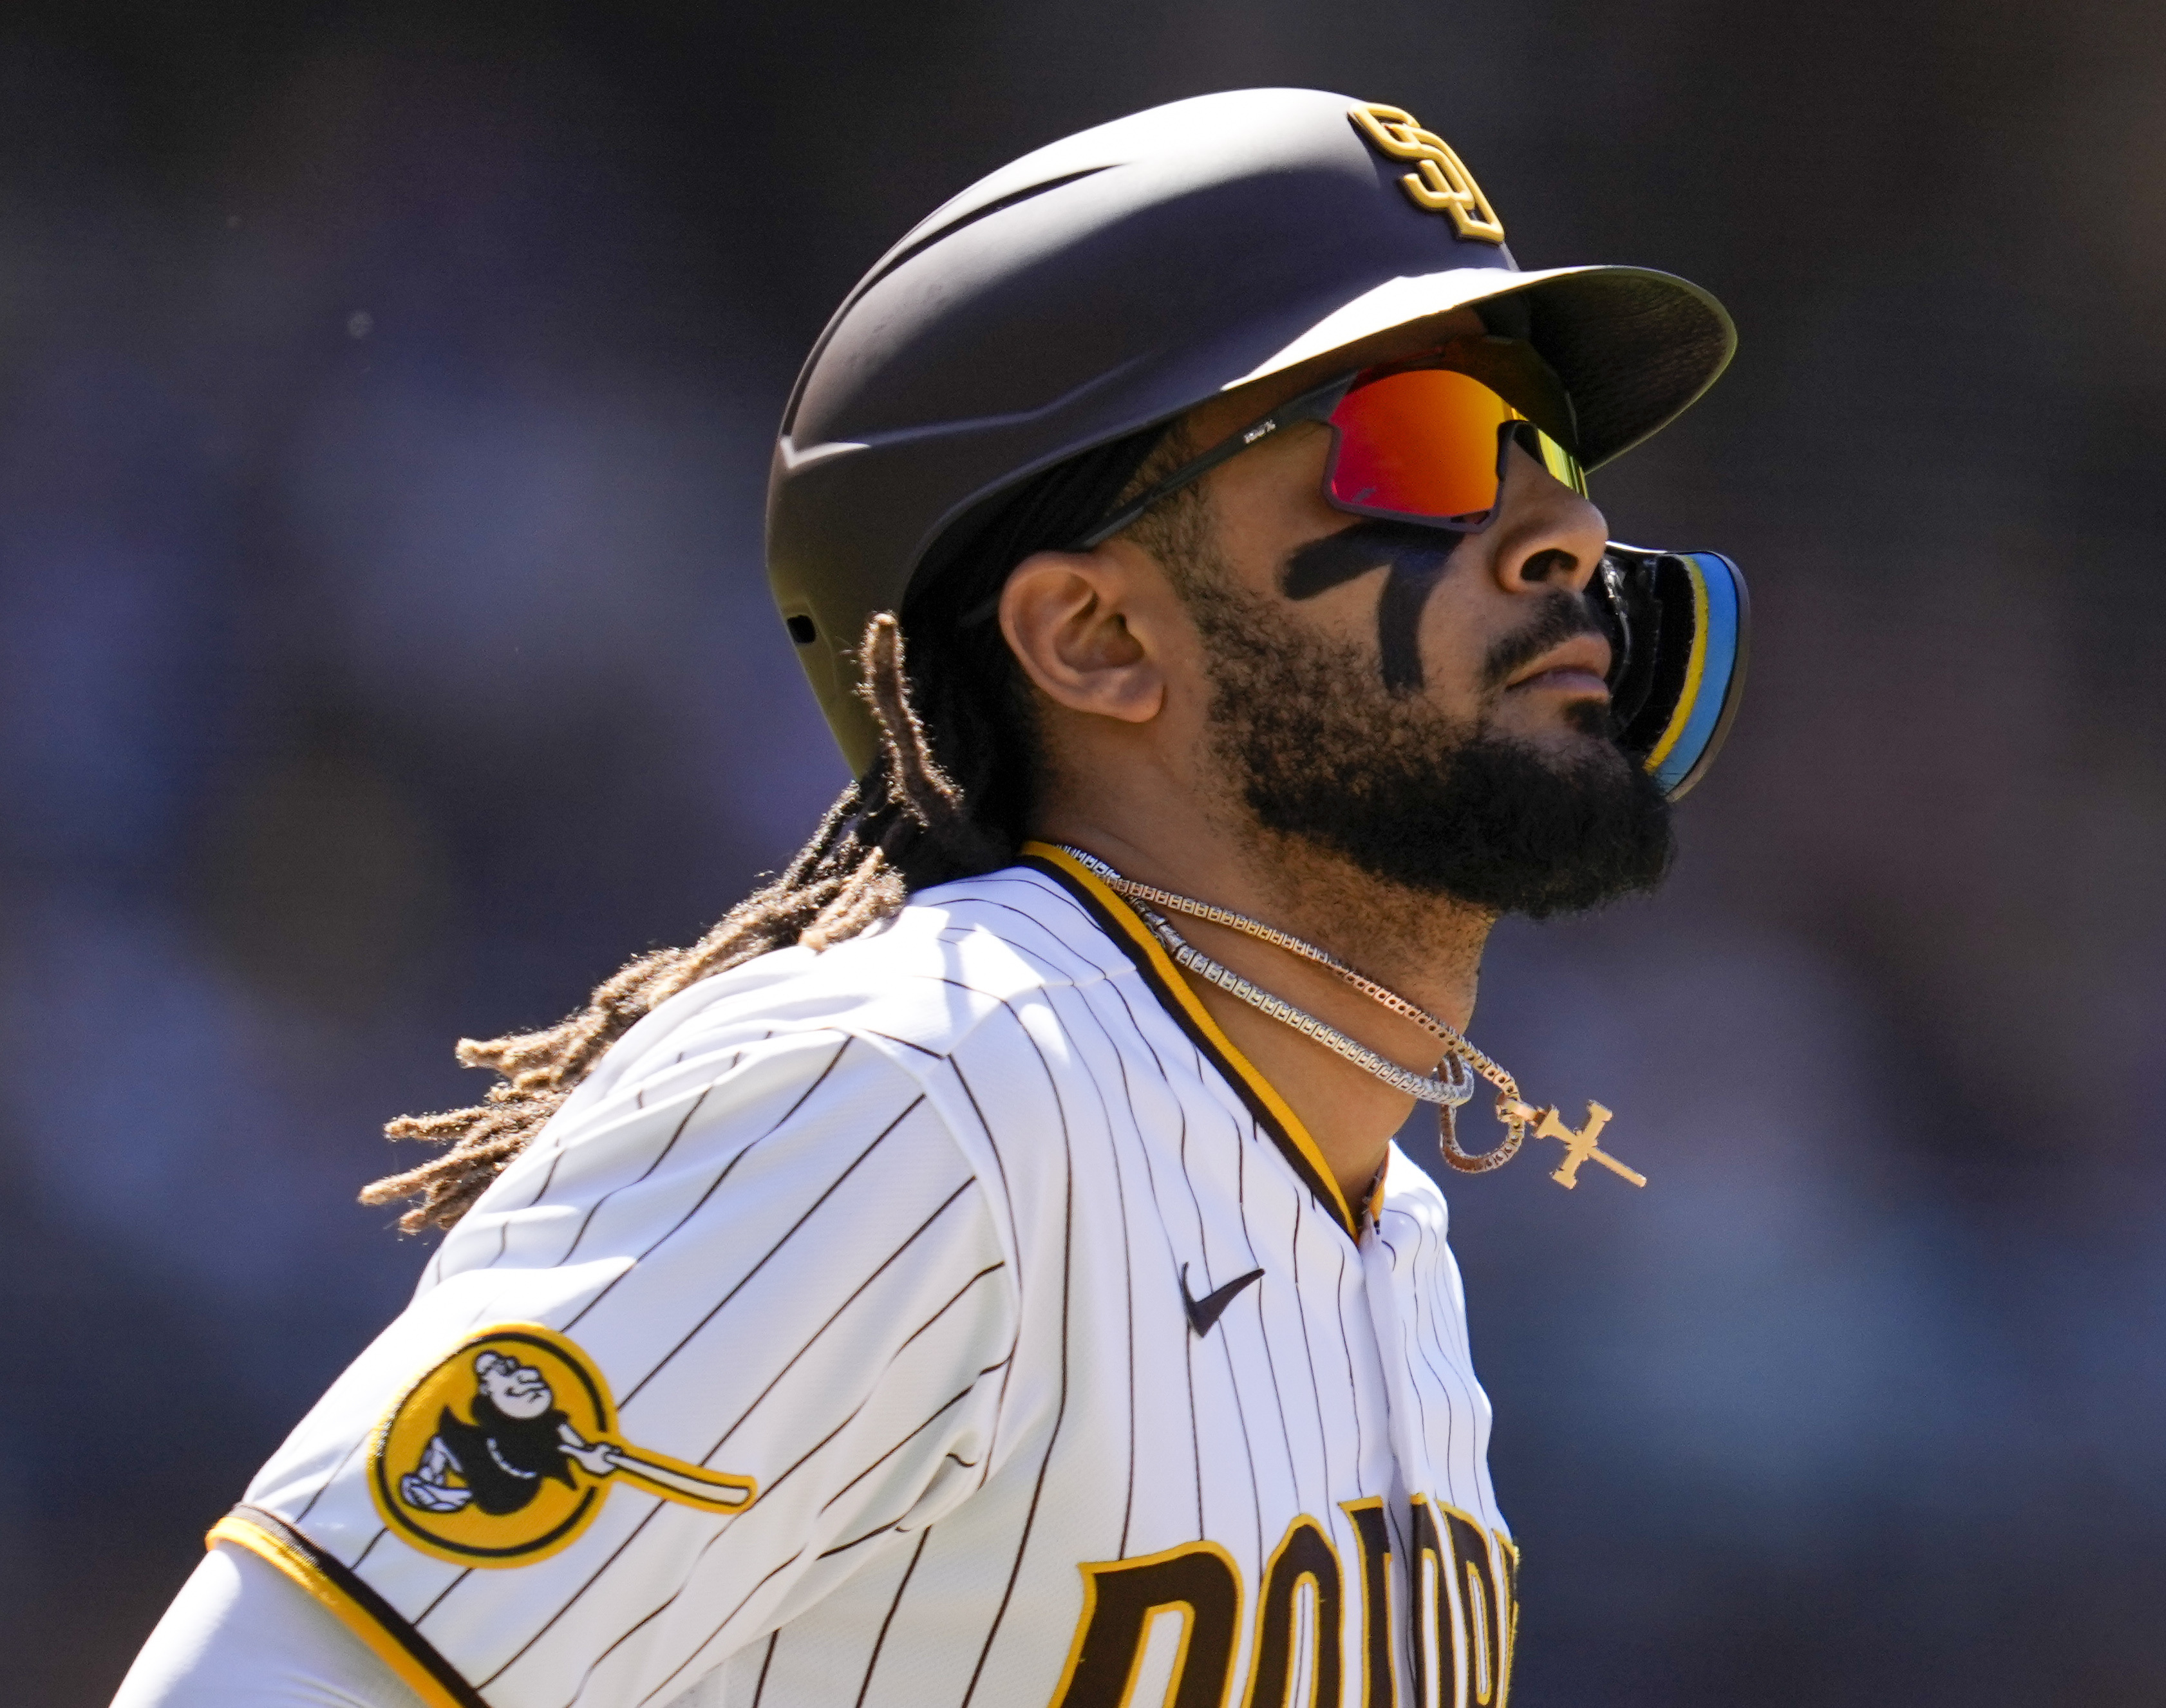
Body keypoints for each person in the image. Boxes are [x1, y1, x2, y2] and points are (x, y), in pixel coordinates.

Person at [114, 87, 1742, 1708]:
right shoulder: (913, 1091)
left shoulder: (1384, 1221)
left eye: (1542, 448)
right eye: (1421, 445)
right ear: (1094, 637)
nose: (1569, 528)